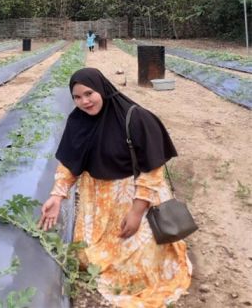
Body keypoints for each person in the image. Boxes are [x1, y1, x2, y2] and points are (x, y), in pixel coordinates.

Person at [39, 68, 191, 307]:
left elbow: (153, 171)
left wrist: (137, 211)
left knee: (136, 266)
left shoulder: (135, 117)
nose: (84, 102)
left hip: (133, 197)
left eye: (89, 93)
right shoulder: (77, 121)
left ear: (102, 88)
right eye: (77, 97)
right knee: (86, 258)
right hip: (97, 203)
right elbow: (69, 164)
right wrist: (57, 196)